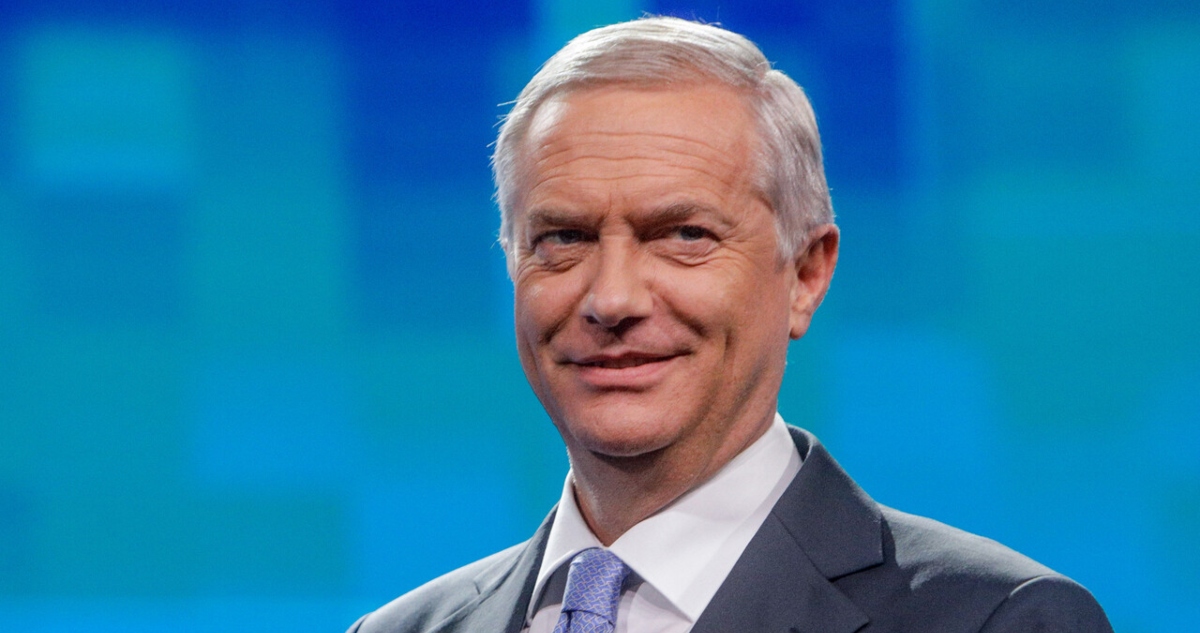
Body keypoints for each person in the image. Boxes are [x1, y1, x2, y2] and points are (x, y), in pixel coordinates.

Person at [347, 16, 1113, 633]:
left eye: (684, 235)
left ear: (806, 274)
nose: (611, 298)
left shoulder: (997, 619)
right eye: (564, 238)